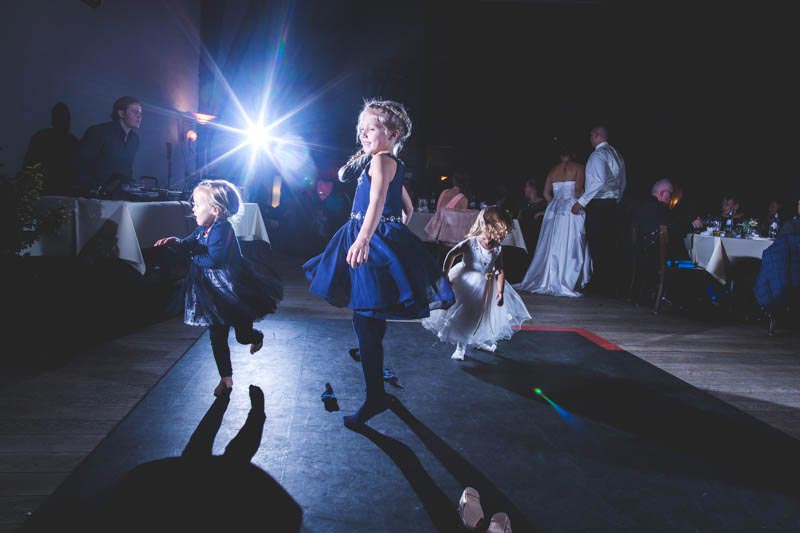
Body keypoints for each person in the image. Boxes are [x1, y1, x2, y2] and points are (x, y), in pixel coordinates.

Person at [303, 99, 454, 428]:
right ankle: (376, 392)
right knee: (367, 318)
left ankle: (374, 399)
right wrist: (390, 225)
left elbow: (376, 202)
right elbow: (407, 208)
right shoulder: (386, 161)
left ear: (393, 133)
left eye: (370, 128)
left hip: (368, 241)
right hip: (371, 236)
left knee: (366, 318)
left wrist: (364, 238)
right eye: (362, 129)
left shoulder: (382, 161)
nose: (363, 133)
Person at [154, 179, 283, 397]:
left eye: (197, 204)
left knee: (241, 336)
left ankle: (255, 336)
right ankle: (226, 378)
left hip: (233, 293)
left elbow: (215, 259)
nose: (193, 208)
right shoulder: (203, 228)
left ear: (215, 210)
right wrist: (177, 242)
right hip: (212, 293)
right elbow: (190, 242)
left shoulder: (223, 229)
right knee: (217, 335)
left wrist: (191, 256)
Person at [421, 207, 530, 360]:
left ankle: (478, 340)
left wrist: (500, 290)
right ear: (487, 225)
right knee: (464, 314)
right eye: (499, 230)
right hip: (466, 282)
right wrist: (445, 275)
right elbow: (451, 254)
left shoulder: (497, 248)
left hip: (487, 286)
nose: (501, 236)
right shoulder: (471, 243)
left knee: (482, 315)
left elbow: (499, 270)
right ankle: (461, 345)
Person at [517, 146, 591, 296]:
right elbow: (577, 189)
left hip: (555, 208)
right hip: (571, 207)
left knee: (551, 244)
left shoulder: (553, 170)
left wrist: (555, 203)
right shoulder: (578, 167)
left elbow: (545, 193)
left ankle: (549, 277)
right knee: (570, 243)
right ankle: (566, 278)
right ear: (573, 154)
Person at [571, 126, 626, 296]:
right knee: (609, 245)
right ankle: (610, 284)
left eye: (591, 135)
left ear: (596, 136)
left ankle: (600, 285)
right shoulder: (617, 154)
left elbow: (598, 181)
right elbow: (622, 182)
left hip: (599, 205)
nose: (590, 138)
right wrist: (617, 199)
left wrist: (581, 202)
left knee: (597, 245)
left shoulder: (597, 155)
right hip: (612, 205)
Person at [79, 96, 143, 196]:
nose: (139, 116)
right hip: (95, 197)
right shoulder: (98, 132)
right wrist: (95, 189)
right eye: (135, 112)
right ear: (121, 113)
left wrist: (130, 185)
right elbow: (81, 165)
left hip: (120, 196)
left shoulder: (135, 139)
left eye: (140, 113)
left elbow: (127, 169)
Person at [628, 179, 673, 304]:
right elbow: (672, 227)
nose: (670, 198)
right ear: (663, 193)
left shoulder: (639, 204)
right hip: (653, 255)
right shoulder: (661, 208)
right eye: (670, 194)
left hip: (638, 252)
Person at [23, 102, 80, 196]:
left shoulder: (71, 141)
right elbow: (30, 162)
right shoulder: (71, 141)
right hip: (47, 186)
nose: (64, 121)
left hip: (60, 187)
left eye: (65, 118)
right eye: (61, 117)